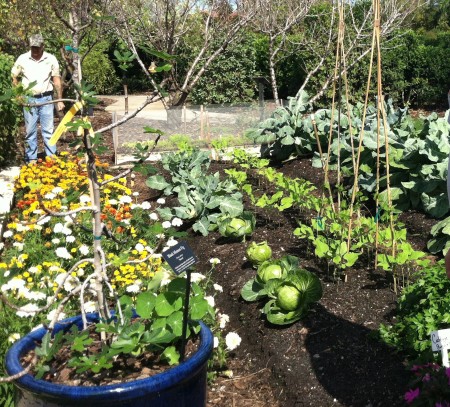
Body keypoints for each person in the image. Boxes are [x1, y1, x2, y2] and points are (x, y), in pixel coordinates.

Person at [11, 33, 64, 163]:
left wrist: (60, 99)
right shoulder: (23, 59)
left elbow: (56, 80)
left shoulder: (50, 59)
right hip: (29, 99)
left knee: (48, 131)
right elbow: (14, 77)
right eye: (33, 47)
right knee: (30, 132)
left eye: (37, 47)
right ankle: (31, 160)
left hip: (47, 99)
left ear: (43, 46)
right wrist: (18, 95)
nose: (35, 50)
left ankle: (51, 160)